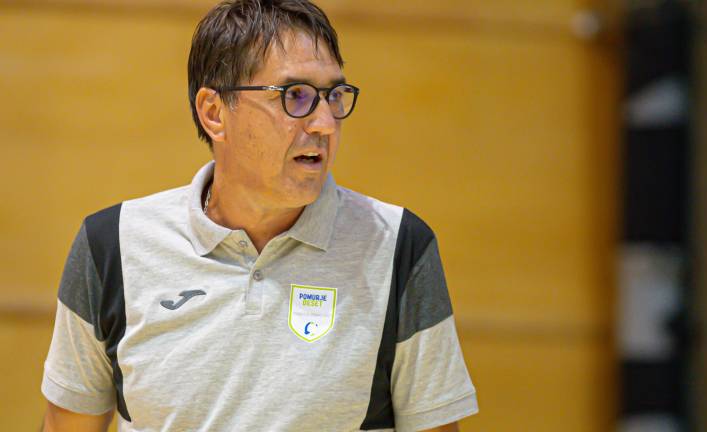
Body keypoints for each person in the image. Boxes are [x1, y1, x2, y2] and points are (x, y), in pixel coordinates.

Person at [40, 1, 478, 431]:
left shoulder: (399, 246)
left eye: (333, 96)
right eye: (296, 96)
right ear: (214, 113)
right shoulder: (112, 244)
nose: (325, 123)